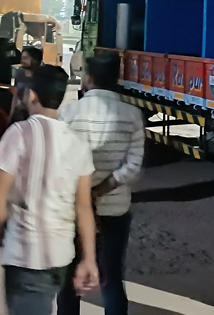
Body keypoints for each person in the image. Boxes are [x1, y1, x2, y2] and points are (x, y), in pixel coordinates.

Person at [0, 65, 99, 315]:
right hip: (60, 257)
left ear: (32, 95)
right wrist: (89, 259)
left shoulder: (18, 134)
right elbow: (83, 207)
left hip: (26, 256)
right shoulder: (77, 142)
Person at [57, 52, 144, 315]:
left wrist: (85, 193)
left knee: (68, 281)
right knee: (112, 280)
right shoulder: (132, 115)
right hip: (115, 210)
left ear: (88, 78)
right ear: (116, 78)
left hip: (73, 210)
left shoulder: (68, 114)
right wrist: (101, 190)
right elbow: (133, 166)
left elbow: (60, 163)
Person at [10, 45, 43, 123]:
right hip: (19, 114)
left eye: (25, 58)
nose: (22, 60)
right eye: (22, 58)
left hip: (34, 117)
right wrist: (10, 115)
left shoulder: (42, 77)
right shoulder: (20, 73)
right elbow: (15, 95)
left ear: (35, 60)